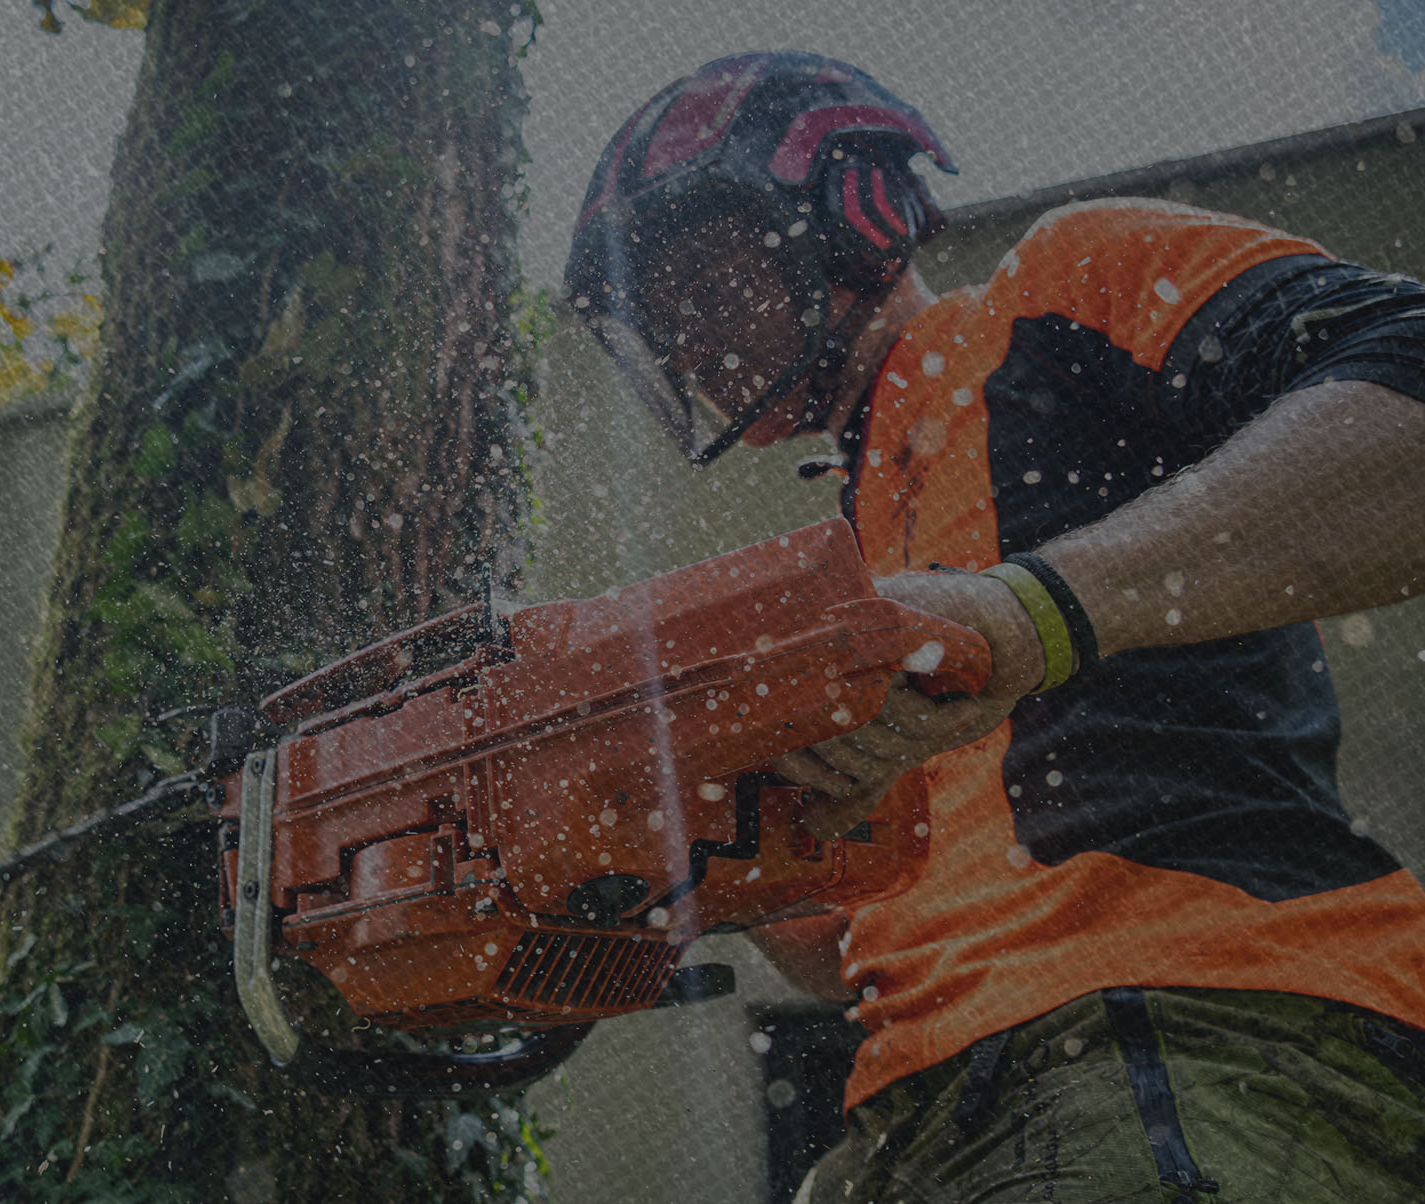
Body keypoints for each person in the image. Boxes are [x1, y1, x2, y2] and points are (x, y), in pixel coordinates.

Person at [564, 51, 1425, 1203]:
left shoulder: (1060, 289)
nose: (687, 345)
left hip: (1183, 1016)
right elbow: (875, 936)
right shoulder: (857, 541)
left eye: (705, 285)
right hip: (920, 1105)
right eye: (657, 322)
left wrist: (1032, 614)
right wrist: (719, 850)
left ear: (851, 209)